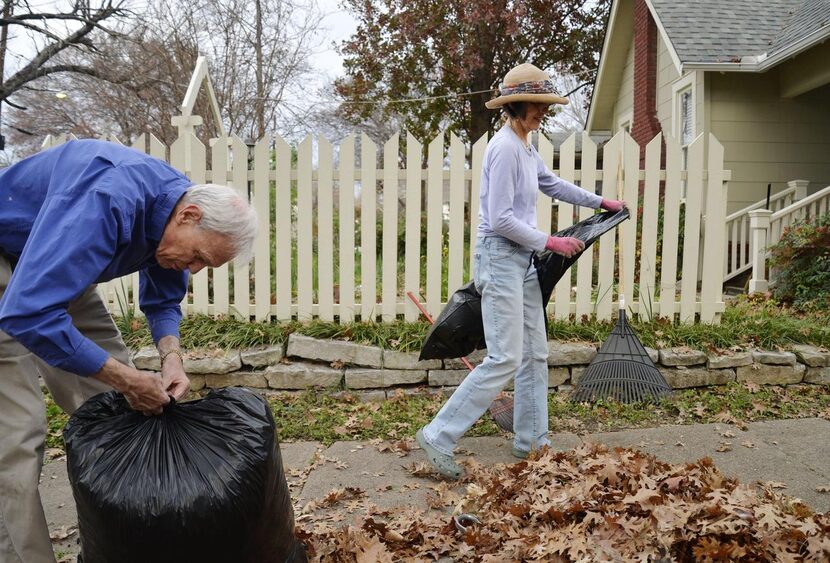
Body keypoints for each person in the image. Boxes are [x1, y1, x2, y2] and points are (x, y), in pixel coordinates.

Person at [0, 139, 258, 562]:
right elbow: (27, 315)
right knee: (16, 434)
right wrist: (125, 378)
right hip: (9, 261)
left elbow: (162, 300)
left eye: (204, 266)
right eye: (197, 256)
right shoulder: (107, 200)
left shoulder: (176, 206)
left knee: (118, 407)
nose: (193, 269)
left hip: (61, 263)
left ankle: (124, 539)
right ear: (189, 217)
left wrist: (170, 356)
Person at [416, 63, 625, 479]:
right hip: (500, 258)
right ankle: (439, 433)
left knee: (535, 353)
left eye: (546, 105)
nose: (543, 112)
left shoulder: (526, 146)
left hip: (522, 261)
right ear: (515, 104)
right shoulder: (504, 147)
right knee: (506, 356)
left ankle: (532, 440)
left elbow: (553, 184)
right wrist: (552, 242)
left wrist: (602, 203)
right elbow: (499, 220)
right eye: (537, 104)